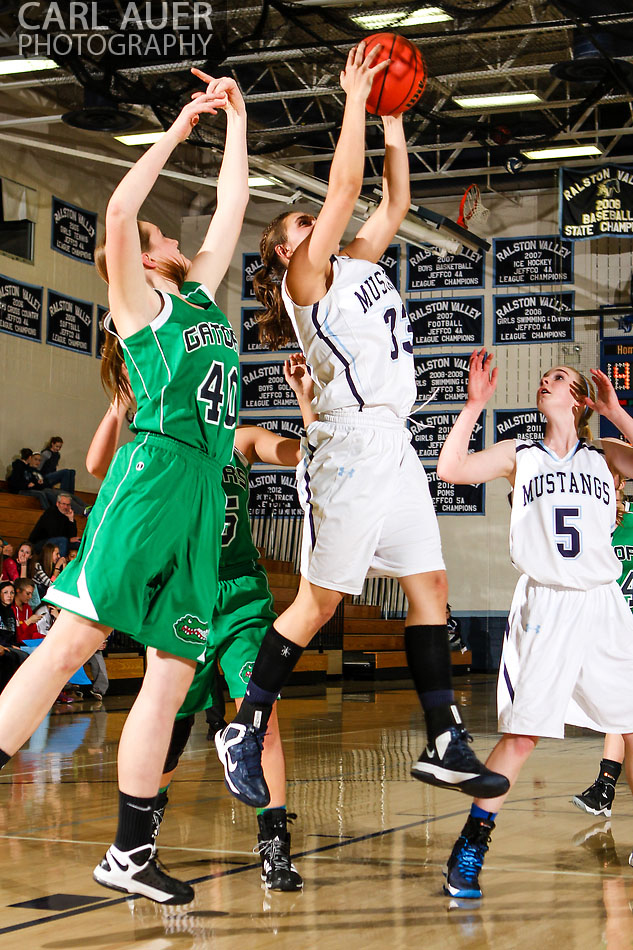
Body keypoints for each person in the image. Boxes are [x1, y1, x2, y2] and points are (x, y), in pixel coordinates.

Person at [214, 40, 508, 812]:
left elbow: (395, 203)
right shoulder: (307, 280)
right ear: (285, 252)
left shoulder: (358, 262)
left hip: (394, 442)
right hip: (345, 445)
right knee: (318, 604)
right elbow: (343, 186)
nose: (318, 222)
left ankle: (444, 738)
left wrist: (392, 121)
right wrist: (351, 96)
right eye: (301, 224)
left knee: (431, 586)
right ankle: (246, 726)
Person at [0, 68, 248, 906]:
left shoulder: (200, 296)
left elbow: (232, 207)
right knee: (76, 639)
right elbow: (115, 214)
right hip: (154, 474)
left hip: (206, 486)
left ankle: (131, 852)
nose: (170, 234)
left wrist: (237, 121)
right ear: (142, 260)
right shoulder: (141, 304)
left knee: (176, 664)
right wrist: (180, 126)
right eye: (156, 232)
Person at [87, 355, 315, 891]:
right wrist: (122, 396)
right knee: (171, 723)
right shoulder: (167, 440)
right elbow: (99, 464)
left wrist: (306, 398)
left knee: (262, 715)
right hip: (182, 592)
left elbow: (309, 455)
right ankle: (141, 834)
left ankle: (275, 847)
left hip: (239, 594)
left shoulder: (242, 440)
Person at [437, 351, 633, 899]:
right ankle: (471, 846)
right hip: (545, 604)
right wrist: (474, 406)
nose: (547, 381)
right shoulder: (518, 453)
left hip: (602, 603)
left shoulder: (605, 454)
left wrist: (617, 412)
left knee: (631, 722)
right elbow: (450, 470)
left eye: (560, 379)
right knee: (523, 735)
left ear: (578, 399)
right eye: (544, 378)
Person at [572, 477, 631, 819]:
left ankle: (605, 787)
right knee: (619, 710)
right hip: (614, 629)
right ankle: (605, 786)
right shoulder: (591, 527)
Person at [11, 578, 42, 643]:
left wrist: (45, 637)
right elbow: (14, 635)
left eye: (31, 594)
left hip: (29, 644)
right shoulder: (11, 608)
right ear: (18, 591)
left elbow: (33, 632)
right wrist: (28, 622)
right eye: (28, 593)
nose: (30, 597)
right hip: (16, 645)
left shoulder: (27, 608)